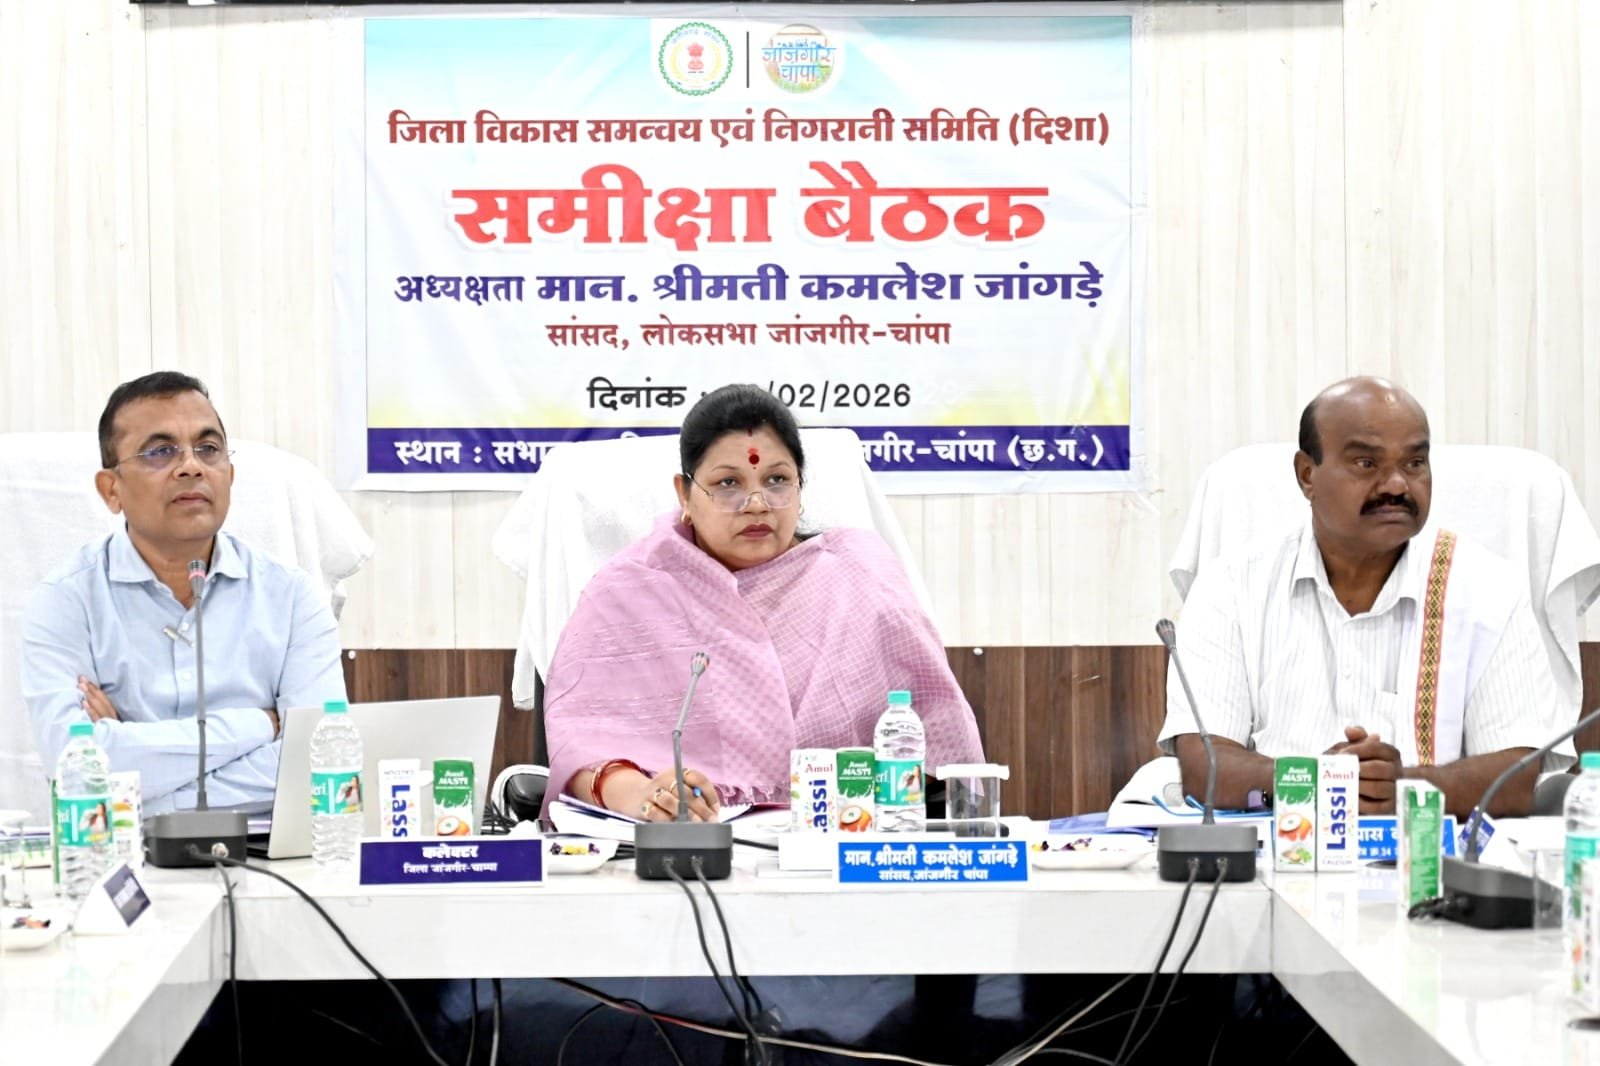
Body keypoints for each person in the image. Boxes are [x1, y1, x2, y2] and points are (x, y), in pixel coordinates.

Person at [542, 383, 984, 820]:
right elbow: (579, 749)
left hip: (845, 836)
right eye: (728, 483)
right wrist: (642, 795)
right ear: (684, 494)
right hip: (685, 842)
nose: (756, 503)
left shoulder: (857, 573)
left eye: (776, 480)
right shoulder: (627, 591)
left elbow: (940, 746)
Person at [1157, 376, 1569, 819]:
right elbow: (1205, 767)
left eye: (1415, 463)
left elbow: (1517, 779)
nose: (1396, 485)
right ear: (1307, 475)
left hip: (1433, 852)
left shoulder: (1489, 589)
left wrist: (1401, 788)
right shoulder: (1231, 587)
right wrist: (1321, 781)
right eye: (1366, 463)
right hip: (1278, 844)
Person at [21, 371, 346, 813]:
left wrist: (138, 784)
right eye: (160, 451)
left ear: (229, 476)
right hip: (124, 850)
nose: (191, 466)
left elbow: (317, 763)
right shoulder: (65, 600)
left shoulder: (292, 599)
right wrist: (258, 726)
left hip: (264, 848)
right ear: (111, 490)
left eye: (208, 449)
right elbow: (73, 766)